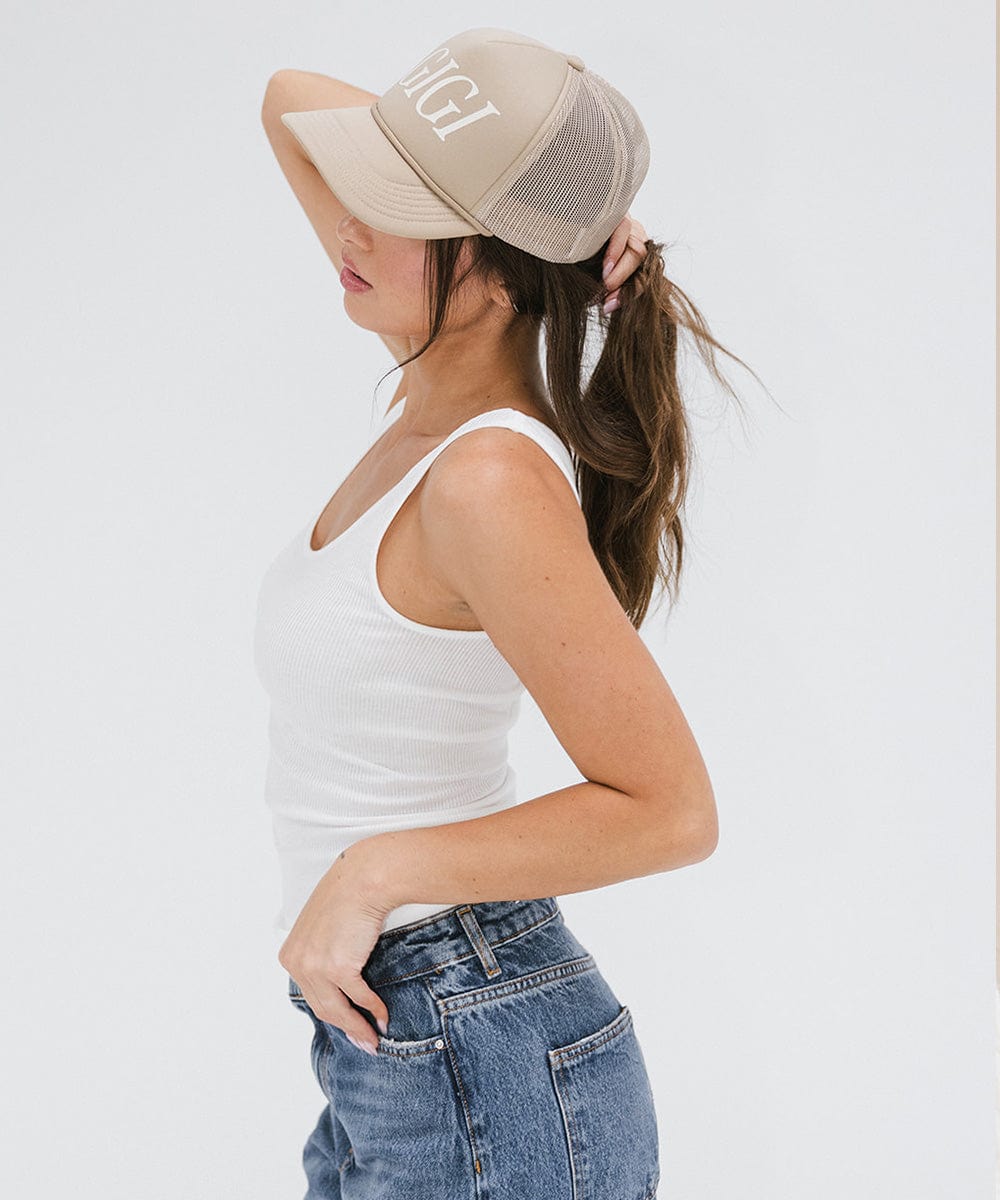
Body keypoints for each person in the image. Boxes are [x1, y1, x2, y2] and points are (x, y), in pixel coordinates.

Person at [256, 25, 751, 1199]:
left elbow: (670, 810)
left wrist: (372, 872)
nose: (345, 228)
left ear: (499, 267)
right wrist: (560, 217)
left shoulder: (486, 479)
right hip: (407, 1041)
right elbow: (284, 99)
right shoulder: (427, 418)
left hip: (471, 1041)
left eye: (397, 209)